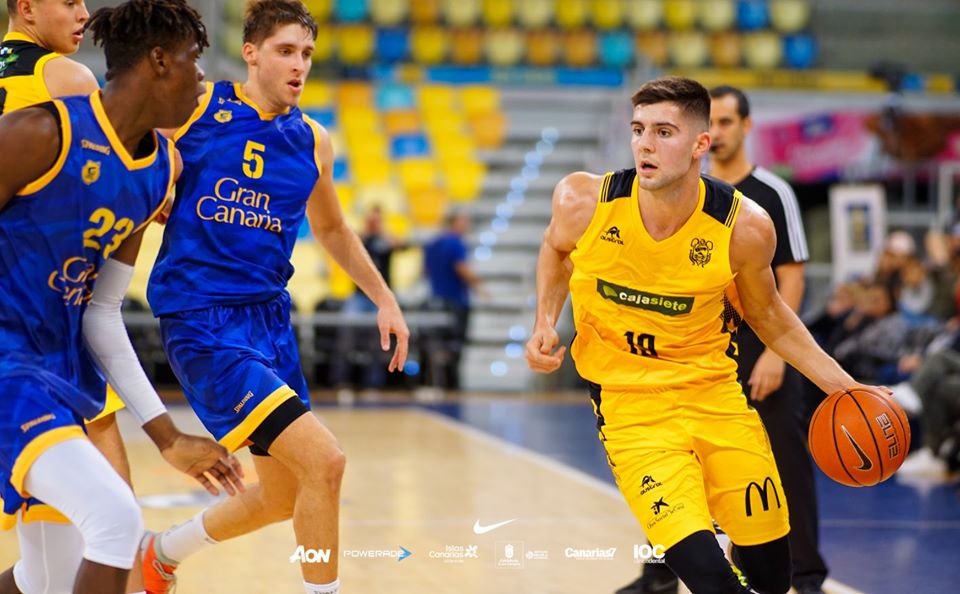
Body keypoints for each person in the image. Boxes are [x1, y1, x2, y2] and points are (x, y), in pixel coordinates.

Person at [526, 76, 888, 594]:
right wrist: (544, 320)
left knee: (771, 576)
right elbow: (555, 249)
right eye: (638, 130)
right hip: (631, 410)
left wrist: (845, 387)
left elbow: (770, 315)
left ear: (701, 144)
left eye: (664, 132)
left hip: (715, 397)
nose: (645, 145)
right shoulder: (584, 200)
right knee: (710, 580)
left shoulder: (745, 227)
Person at [140, 3, 410, 594]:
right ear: (251, 53)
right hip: (202, 319)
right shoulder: (196, 107)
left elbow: (332, 229)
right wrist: (153, 185)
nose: (299, 65)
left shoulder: (312, 139)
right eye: (286, 51)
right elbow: (131, 154)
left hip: (269, 322)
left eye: (307, 54)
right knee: (326, 461)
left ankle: (159, 553)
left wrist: (385, 298)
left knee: (284, 496)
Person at [0, 2, 245, 594]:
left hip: (61, 371)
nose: (203, 78)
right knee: (115, 520)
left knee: (46, 579)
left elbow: (102, 314)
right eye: (193, 60)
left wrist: (167, 436)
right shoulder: (41, 132)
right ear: (158, 61)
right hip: (8, 366)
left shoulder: (158, 172)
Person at [614, 85, 827, 594]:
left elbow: (790, 281)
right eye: (716, 121)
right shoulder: (669, 189)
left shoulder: (769, 195)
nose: (722, 131)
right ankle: (659, 574)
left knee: (780, 466)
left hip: (759, 345)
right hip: (693, 350)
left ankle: (806, 575)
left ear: (740, 128)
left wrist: (776, 355)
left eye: (729, 122)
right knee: (669, 468)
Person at [0, 3, 152, 591]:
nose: (83, 12)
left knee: (45, 568)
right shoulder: (67, 77)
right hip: (43, 315)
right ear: (26, 7)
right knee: (115, 522)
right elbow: (114, 176)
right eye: (67, 0)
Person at [423, 210, 482, 389]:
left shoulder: (433, 243)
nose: (467, 225)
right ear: (454, 222)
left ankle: (437, 381)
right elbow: (461, 268)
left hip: (436, 300)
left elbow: (424, 270)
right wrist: (480, 286)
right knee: (455, 344)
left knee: (438, 343)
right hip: (456, 301)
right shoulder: (456, 243)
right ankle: (452, 383)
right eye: (464, 221)